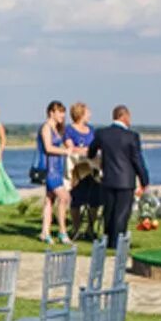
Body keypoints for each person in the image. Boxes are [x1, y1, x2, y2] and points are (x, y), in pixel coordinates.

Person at [88, 105, 147, 249]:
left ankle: (108, 238)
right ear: (124, 116)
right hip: (126, 180)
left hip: (108, 178)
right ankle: (117, 242)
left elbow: (91, 152)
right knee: (122, 213)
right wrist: (144, 180)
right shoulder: (132, 136)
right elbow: (137, 160)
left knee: (109, 211)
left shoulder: (102, 134)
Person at [37, 100, 77, 244]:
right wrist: (64, 151)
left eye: (63, 112)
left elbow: (66, 143)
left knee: (49, 200)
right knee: (65, 197)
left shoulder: (57, 128)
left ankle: (45, 232)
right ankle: (62, 231)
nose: (62, 115)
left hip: (57, 167)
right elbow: (48, 148)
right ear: (51, 113)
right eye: (59, 112)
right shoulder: (46, 128)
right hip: (49, 169)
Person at [64, 102, 99, 240]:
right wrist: (84, 150)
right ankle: (77, 227)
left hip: (92, 168)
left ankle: (91, 227)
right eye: (87, 112)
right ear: (81, 114)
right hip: (77, 169)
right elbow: (70, 148)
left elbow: (96, 145)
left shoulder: (91, 129)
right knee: (77, 199)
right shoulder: (69, 130)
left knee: (95, 199)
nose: (90, 115)